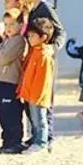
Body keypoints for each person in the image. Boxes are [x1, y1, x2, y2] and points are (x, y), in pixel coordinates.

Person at [22, 0, 66, 151]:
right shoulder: (33, 9)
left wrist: (52, 47)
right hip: (34, 59)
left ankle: (47, 138)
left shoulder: (46, 8)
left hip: (44, 62)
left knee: (43, 99)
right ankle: (37, 136)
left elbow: (61, 32)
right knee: (31, 99)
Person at [0, 9, 27, 154]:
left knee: (11, 113)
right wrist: (0, 54)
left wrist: (0, 56)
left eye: (12, 24)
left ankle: (15, 141)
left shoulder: (18, 40)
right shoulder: (7, 40)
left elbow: (4, 59)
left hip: (11, 82)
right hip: (0, 81)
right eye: (6, 24)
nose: (9, 27)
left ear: (20, 25)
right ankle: (6, 142)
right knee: (2, 114)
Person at [17, 18, 55, 154]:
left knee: (41, 120)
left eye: (33, 36)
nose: (30, 38)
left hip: (38, 96)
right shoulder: (34, 52)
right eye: (29, 35)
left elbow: (43, 79)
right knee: (34, 120)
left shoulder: (44, 55)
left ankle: (42, 143)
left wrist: (37, 96)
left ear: (43, 37)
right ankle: (36, 142)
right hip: (31, 94)